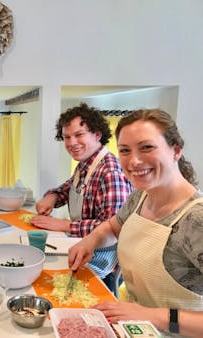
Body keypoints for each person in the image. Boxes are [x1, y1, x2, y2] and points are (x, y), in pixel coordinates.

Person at [69, 109, 203, 337]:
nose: (134, 161)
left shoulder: (196, 220)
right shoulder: (140, 196)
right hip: (134, 328)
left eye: (147, 147)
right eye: (125, 151)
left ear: (176, 151)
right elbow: (112, 227)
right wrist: (90, 241)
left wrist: (152, 315)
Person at [33, 103, 133, 285]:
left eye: (79, 135)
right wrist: (52, 197)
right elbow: (69, 187)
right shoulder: (86, 164)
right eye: (66, 137)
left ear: (97, 135)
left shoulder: (110, 171)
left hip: (101, 260)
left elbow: (112, 226)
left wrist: (64, 225)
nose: (71, 143)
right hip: (80, 245)